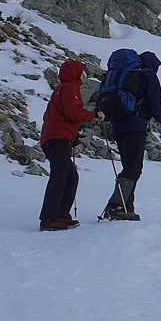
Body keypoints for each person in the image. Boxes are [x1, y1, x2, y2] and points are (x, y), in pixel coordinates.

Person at [101, 51, 161, 221]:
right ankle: (115, 206)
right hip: (135, 125)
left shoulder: (124, 75)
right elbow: (154, 104)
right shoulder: (148, 75)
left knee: (128, 166)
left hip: (117, 124)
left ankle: (126, 208)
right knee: (134, 168)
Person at [38, 59, 101, 231]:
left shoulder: (60, 89)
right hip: (59, 138)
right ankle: (49, 218)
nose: (82, 74)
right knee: (60, 176)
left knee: (69, 176)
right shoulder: (69, 88)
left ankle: (61, 214)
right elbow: (73, 113)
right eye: (80, 71)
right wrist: (94, 115)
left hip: (53, 137)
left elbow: (58, 115)